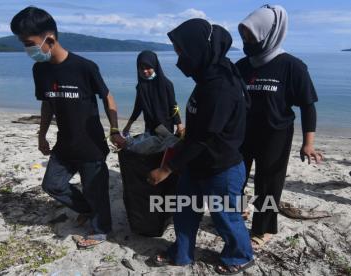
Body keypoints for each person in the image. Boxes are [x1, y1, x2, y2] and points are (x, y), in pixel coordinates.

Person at [10, 6, 126, 249]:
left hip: (90, 143)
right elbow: (47, 104)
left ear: (49, 39)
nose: (27, 49)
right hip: (64, 142)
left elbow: (108, 98)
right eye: (23, 43)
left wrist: (114, 130)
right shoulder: (39, 69)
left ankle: (100, 229)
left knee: (96, 190)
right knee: (52, 185)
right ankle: (85, 209)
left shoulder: (84, 67)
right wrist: (41, 134)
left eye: (29, 43)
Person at [148, 19, 254, 274]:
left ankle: (240, 255)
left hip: (222, 168)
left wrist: (167, 168)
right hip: (195, 162)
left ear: (198, 49)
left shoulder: (221, 86)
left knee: (225, 218)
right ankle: (182, 252)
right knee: (184, 212)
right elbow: (199, 130)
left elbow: (204, 137)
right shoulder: (209, 74)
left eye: (181, 51)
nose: (178, 57)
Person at [236, 4, 323, 249]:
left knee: (268, 184)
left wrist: (309, 143)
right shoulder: (242, 65)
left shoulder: (292, 66)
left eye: (252, 35)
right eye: (244, 35)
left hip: (275, 135)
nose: (247, 40)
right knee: (236, 178)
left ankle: (263, 229)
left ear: (269, 32)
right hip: (242, 134)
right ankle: (239, 212)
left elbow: (308, 106)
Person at [122, 50, 184, 137]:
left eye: (148, 67)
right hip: (149, 127)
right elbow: (138, 107)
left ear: (154, 66)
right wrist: (128, 125)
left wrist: (179, 125)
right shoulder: (140, 87)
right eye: (141, 68)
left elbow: (173, 105)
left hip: (166, 127)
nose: (145, 71)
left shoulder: (166, 84)